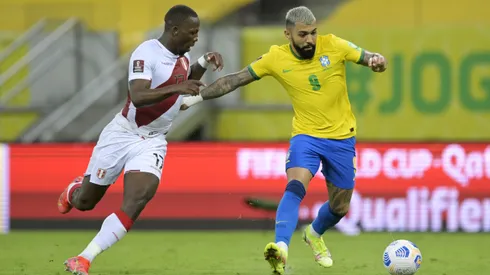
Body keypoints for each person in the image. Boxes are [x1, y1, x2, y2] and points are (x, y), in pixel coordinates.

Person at [181, 6, 387, 274]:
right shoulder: (275, 57)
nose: (310, 39)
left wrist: (376, 60)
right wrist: (196, 97)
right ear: (287, 34)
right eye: (303, 34)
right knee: (295, 185)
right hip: (306, 136)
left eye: (313, 32)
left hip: (342, 138)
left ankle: (314, 234)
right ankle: (280, 249)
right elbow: (235, 80)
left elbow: (367, 56)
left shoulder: (334, 45)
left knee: (340, 206)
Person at [57, 5, 223, 275]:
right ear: (174, 29)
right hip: (123, 134)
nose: (196, 37)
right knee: (85, 202)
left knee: (139, 197)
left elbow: (184, 79)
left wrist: (203, 63)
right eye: (192, 33)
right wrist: (179, 88)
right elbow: (139, 95)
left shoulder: (182, 56)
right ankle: (73, 190)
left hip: (153, 140)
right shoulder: (146, 53)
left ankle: (84, 258)